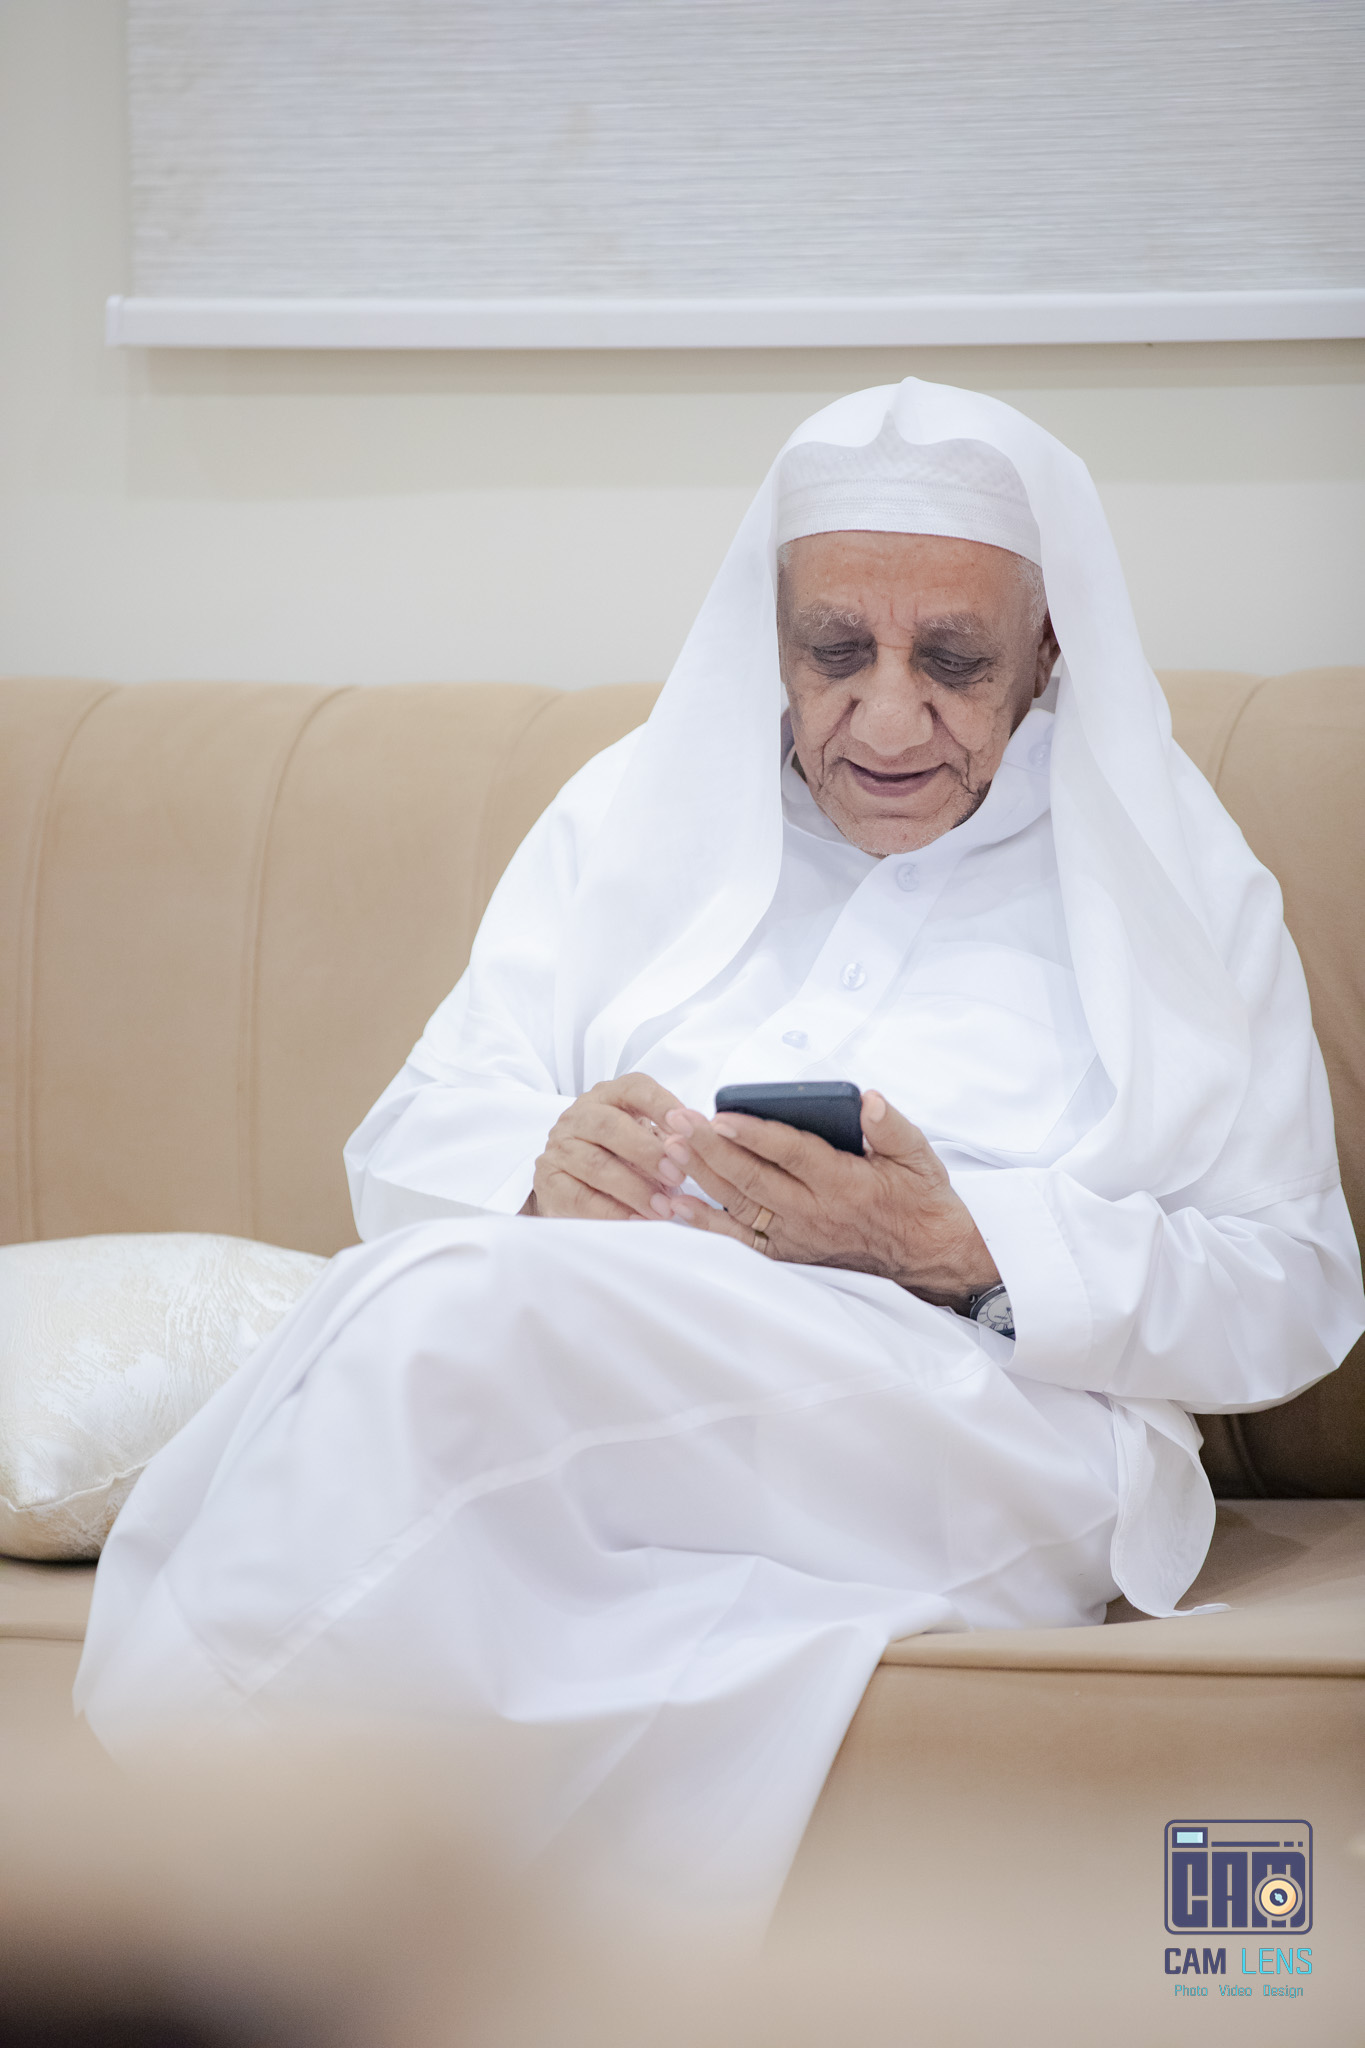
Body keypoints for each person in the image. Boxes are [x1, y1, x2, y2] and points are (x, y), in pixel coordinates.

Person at [75, 380, 1363, 1929]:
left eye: (952, 661)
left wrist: (957, 1243)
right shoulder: (631, 812)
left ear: (1047, 650)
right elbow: (412, 1134)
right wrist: (542, 1170)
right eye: (836, 652)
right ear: (773, 637)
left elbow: (1291, 1283)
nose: (886, 718)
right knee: (440, 1320)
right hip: (590, 1365)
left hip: (988, 1425)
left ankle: (151, 1886)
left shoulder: (1170, 872)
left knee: (436, 1320)